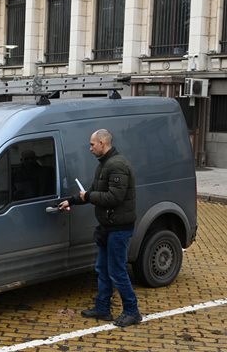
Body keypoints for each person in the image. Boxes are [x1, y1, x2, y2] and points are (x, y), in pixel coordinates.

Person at [58, 129, 142, 328]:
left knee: (117, 271)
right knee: (102, 269)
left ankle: (132, 311)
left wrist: (88, 197)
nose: (90, 148)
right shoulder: (105, 164)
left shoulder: (117, 165)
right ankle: (103, 308)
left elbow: (114, 197)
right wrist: (71, 200)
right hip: (107, 227)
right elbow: (93, 192)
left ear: (103, 143)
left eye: (92, 144)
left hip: (118, 229)